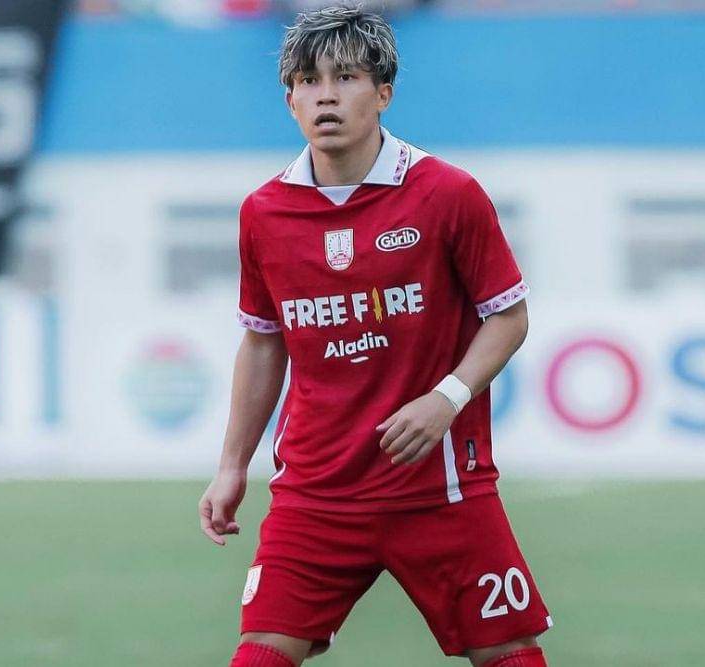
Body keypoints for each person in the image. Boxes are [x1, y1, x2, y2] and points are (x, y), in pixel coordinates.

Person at [199, 6, 552, 666]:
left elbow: (509, 316)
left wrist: (446, 397)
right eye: (308, 81)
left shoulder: (446, 193)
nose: (325, 96)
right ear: (290, 100)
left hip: (439, 489)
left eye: (346, 77)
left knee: (507, 649)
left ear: (383, 93)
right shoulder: (264, 212)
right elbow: (264, 341)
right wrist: (232, 466)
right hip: (315, 492)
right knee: (261, 651)